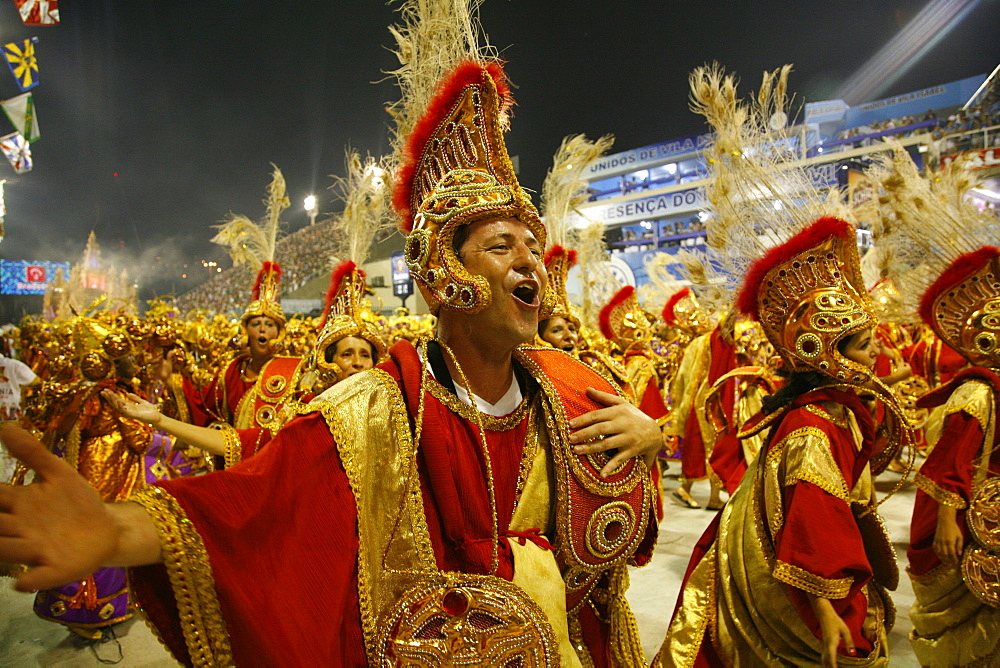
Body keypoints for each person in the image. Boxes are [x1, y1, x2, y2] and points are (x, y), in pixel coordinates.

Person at [0, 57, 662, 666]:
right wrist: (114, 534)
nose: (528, 260)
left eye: (530, 244)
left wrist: (652, 440)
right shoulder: (372, 409)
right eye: (500, 245)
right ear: (443, 276)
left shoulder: (576, 389)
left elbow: (624, 543)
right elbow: (256, 502)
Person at [656, 217, 905, 667]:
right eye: (866, 345)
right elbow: (812, 518)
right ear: (828, 354)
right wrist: (825, 607)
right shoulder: (814, 425)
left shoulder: (835, 410)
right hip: (805, 573)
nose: (877, 355)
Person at [0, 348, 38, 482]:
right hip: (10, 413)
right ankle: (9, 482)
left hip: (9, 414)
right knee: (10, 452)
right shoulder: (13, 365)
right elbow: (36, 382)